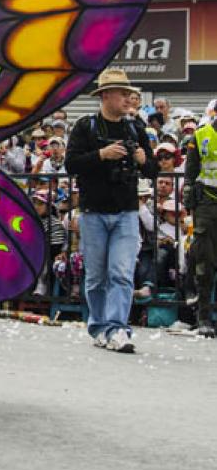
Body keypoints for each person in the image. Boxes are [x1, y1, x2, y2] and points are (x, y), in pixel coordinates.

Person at [65, 68, 157, 352]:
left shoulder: (136, 128)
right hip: (93, 212)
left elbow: (153, 170)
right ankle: (100, 327)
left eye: (129, 92)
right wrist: (101, 155)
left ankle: (118, 328)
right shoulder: (85, 127)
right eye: (122, 92)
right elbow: (71, 164)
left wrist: (143, 159)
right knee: (95, 276)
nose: (128, 98)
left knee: (121, 272)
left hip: (127, 213)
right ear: (106, 95)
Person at [183, 109, 217, 337]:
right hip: (208, 202)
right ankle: (203, 318)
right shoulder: (201, 134)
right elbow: (191, 171)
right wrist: (189, 199)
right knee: (205, 263)